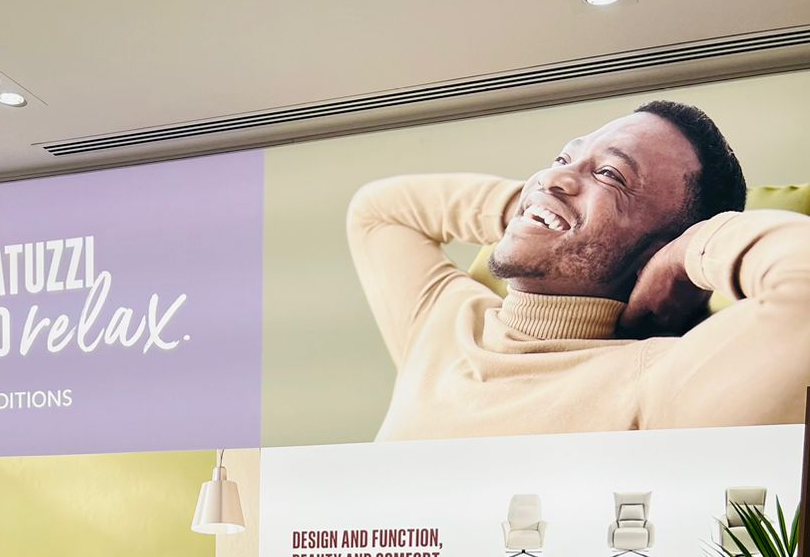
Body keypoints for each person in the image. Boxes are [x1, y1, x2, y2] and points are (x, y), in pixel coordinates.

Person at [346, 99, 810, 440]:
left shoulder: (654, 384)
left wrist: (687, 254)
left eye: (610, 175)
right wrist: (531, 206)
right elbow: (378, 210)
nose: (551, 176)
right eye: (563, 159)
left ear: (662, 245)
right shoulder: (442, 322)